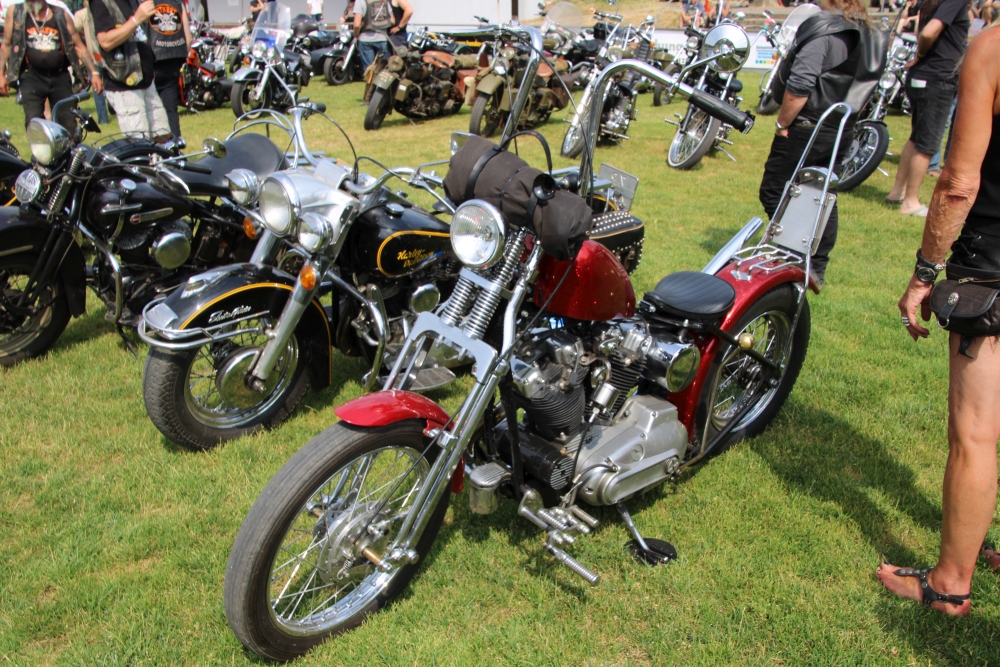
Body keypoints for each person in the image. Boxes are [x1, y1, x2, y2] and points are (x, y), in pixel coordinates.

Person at [880, 25, 1000, 616]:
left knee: (974, 435)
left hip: (992, 266)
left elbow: (957, 183)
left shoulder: (994, 47)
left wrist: (925, 272)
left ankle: (950, 584)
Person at [758, 0, 875, 288]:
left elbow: (799, 86)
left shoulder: (824, 29)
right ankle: (814, 263)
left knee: (776, 191)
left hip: (810, 124)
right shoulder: (868, 31)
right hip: (841, 126)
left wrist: (782, 123)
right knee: (822, 194)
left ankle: (795, 256)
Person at [886, 0, 970, 216]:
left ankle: (897, 192)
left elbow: (921, 30)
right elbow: (928, 32)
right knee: (926, 143)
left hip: (921, 76)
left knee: (916, 137)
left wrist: (920, 57)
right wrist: (921, 54)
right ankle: (910, 202)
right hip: (938, 78)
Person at [0, 0, 103, 132]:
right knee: (34, 123)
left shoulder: (60, 14)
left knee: (68, 122)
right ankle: (40, 146)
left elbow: (79, 47)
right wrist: (1, 74)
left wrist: (94, 73)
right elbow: (6, 45)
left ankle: (69, 145)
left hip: (59, 76)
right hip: (31, 76)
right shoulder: (15, 12)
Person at [90, 0, 171, 139]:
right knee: (139, 142)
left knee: (162, 136)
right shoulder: (100, 2)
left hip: (146, 81)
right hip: (125, 84)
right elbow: (105, 41)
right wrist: (136, 19)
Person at [149, 0, 190, 140]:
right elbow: (188, 39)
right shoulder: (178, 3)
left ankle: (151, 148)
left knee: (150, 112)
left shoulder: (144, 3)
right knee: (171, 111)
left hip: (152, 62)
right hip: (172, 62)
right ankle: (176, 145)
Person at [74, 0, 110, 124]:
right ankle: (113, 109)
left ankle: (103, 119)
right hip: (109, 52)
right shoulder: (107, 8)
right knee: (111, 83)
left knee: (97, 87)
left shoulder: (82, 14)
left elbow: (73, 30)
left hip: (94, 54)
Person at [353, 0, 391, 71]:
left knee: (369, 69)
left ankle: (369, 78)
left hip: (365, 39)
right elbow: (392, 20)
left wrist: (356, 35)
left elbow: (357, 25)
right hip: (382, 38)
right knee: (382, 68)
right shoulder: (385, 1)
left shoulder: (360, 1)